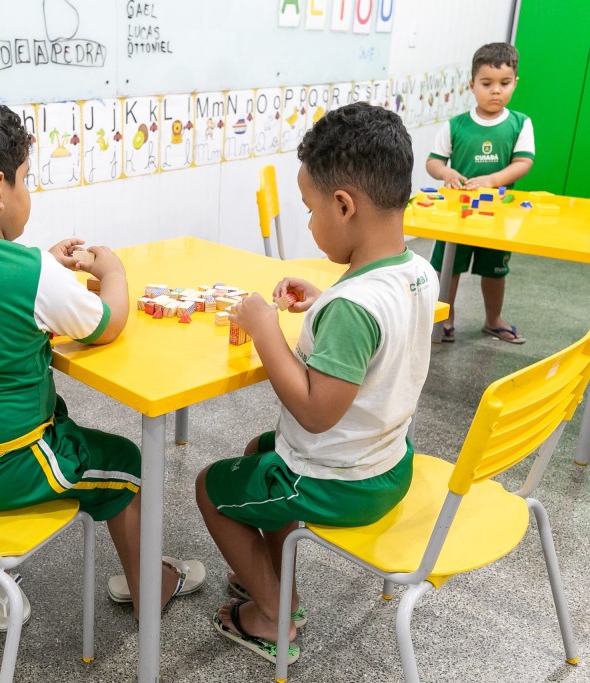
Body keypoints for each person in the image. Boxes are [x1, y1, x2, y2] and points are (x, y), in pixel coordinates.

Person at [0, 97, 203, 630]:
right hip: (8, 466)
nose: (27, 191)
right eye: (25, 179)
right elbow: (108, 323)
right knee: (125, 460)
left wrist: (42, 265)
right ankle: (150, 586)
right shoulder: (32, 274)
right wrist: (114, 273)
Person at [195, 103, 438, 664]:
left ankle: (272, 617)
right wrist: (326, 300)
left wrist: (266, 330)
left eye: (309, 210)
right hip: (388, 460)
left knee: (210, 488)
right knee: (258, 449)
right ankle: (270, 578)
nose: (307, 224)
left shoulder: (353, 308)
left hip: (342, 479)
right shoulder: (416, 272)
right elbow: (376, 332)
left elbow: (314, 411)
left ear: (344, 205)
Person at [425, 42, 535, 344]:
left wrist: (492, 180)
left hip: (497, 215)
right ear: (472, 84)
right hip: (456, 216)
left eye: (504, 83)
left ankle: (493, 319)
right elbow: (433, 162)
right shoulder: (456, 125)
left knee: (496, 270)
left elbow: (523, 162)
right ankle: (445, 319)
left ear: (515, 83)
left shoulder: (520, 123)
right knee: (448, 268)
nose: (496, 90)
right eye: (487, 84)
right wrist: (446, 173)